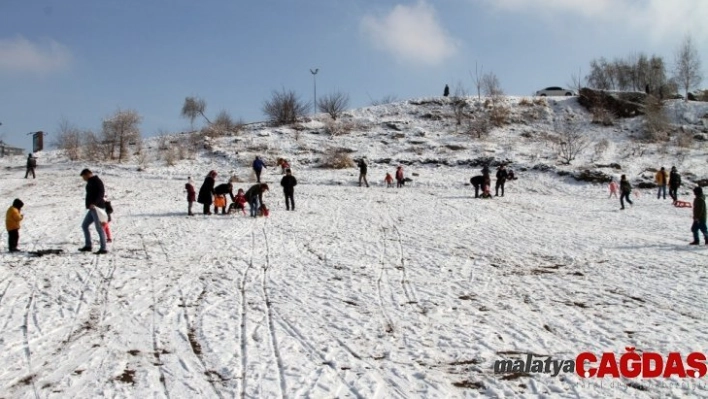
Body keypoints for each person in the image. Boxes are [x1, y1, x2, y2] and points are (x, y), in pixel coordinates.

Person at [78, 169, 108, 254]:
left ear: (87, 174)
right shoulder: (90, 183)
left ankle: (103, 248)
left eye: (83, 177)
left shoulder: (97, 182)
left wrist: (94, 203)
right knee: (84, 225)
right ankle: (88, 246)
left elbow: (100, 194)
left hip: (97, 208)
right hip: (92, 209)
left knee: (99, 228)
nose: (83, 179)